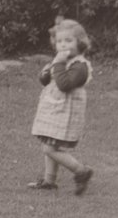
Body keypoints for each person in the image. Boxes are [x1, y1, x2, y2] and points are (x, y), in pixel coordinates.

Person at [28, 18, 94, 195]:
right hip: (55, 111)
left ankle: (81, 171)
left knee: (49, 149)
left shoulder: (80, 66)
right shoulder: (61, 61)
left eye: (68, 40)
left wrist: (57, 64)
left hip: (66, 114)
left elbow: (64, 84)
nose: (63, 45)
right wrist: (45, 74)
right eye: (59, 41)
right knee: (50, 144)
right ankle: (49, 181)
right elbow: (49, 81)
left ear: (80, 42)